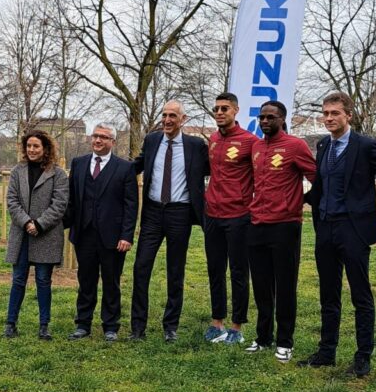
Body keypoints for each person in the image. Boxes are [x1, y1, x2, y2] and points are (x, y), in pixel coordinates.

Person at [300, 92, 376, 376]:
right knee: (328, 292)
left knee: (360, 294)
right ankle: (326, 351)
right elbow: (319, 188)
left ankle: (362, 357)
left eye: (335, 113)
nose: (329, 118)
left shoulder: (366, 146)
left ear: (349, 116)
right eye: (326, 113)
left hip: (354, 230)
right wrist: (297, 198)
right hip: (326, 227)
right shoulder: (323, 146)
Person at [130, 100, 209, 342]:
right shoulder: (152, 140)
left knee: (176, 271)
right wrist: (110, 170)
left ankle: (170, 326)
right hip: (153, 212)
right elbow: (137, 165)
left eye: (172, 115)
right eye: (164, 115)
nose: (166, 119)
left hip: (180, 213)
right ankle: (137, 328)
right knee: (141, 267)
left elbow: (216, 171)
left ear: (182, 119)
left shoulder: (196, 145)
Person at [246, 100, 315, 362]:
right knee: (262, 285)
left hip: (285, 226)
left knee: (285, 286)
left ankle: (285, 342)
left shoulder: (296, 146)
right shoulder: (255, 146)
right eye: (262, 117)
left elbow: (316, 178)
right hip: (257, 224)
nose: (265, 121)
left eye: (270, 117)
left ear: (282, 119)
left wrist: (300, 201)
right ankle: (263, 338)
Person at [65, 123, 138, 342]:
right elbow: (71, 199)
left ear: (112, 142)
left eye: (104, 137)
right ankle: (83, 324)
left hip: (113, 237)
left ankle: (110, 326)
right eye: (96, 136)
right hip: (84, 234)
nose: (98, 140)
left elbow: (131, 205)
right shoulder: (78, 164)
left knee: (111, 281)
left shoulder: (125, 168)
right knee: (85, 280)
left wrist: (127, 235)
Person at [202, 92, 257, 345]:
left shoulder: (250, 141)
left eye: (225, 108)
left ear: (236, 110)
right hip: (212, 214)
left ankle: (237, 327)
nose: (220, 112)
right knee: (215, 269)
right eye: (216, 109)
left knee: (237, 271)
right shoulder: (212, 139)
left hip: (239, 215)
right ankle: (217, 322)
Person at [3, 130, 69, 340]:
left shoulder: (57, 174)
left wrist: (39, 224)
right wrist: (26, 222)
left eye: (36, 146)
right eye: (29, 146)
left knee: (43, 280)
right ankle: (11, 324)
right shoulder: (17, 171)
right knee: (18, 280)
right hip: (21, 234)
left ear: (45, 148)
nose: (31, 150)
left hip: (46, 235)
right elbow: (12, 201)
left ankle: (44, 326)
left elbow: (59, 205)